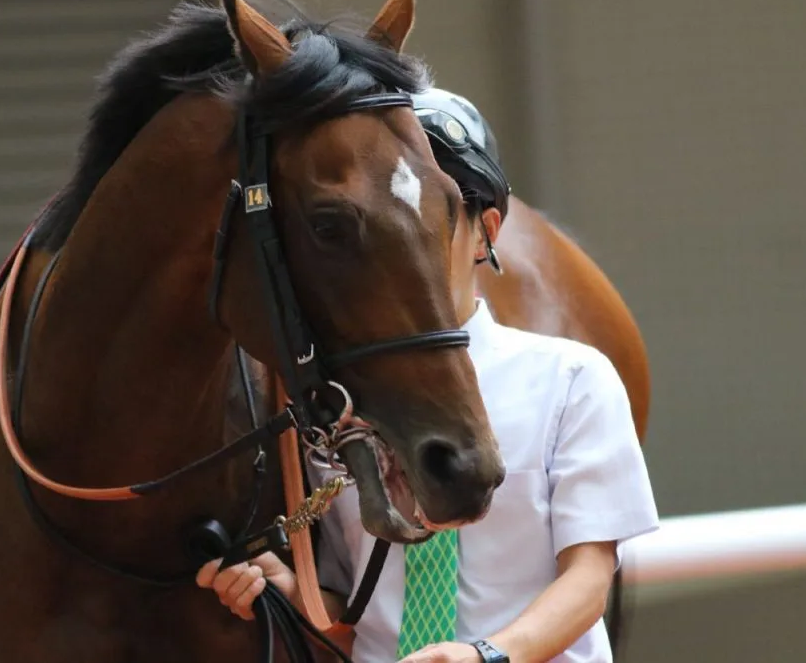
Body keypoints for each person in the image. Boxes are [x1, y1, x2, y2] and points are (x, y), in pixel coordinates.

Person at [196, 87, 660, 663]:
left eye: (433, 219)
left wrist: (485, 656)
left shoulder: (574, 379)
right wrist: (293, 593)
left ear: (487, 232)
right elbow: (353, 609)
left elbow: (588, 581)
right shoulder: (334, 406)